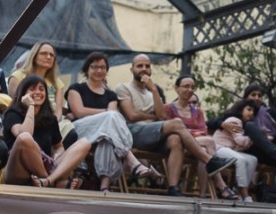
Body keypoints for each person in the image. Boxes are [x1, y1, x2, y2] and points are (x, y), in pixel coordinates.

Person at [114, 54, 235, 198]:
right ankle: (209, 160)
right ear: (132, 69)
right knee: (177, 123)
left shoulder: (153, 93)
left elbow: (161, 117)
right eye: (139, 66)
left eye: (147, 66)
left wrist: (153, 90)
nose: (144, 69)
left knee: (175, 139)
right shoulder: (123, 88)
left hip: (153, 136)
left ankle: (173, 188)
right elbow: (132, 116)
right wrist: (152, 116)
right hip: (133, 133)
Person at [67, 52, 161, 192]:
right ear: (87, 69)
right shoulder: (76, 88)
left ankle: (104, 186)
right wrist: (105, 112)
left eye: (102, 67)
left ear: (107, 71)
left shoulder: (111, 95)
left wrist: (106, 113)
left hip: (102, 134)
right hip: (80, 131)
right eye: (94, 67)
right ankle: (132, 160)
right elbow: (79, 112)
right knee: (111, 118)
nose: (99, 70)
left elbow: (111, 116)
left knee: (108, 138)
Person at [2, 75, 90, 189]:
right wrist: (31, 106)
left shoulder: (50, 119)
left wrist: (57, 154)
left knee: (84, 143)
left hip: (45, 168)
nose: (38, 92)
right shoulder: (12, 114)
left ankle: (49, 180)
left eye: (41, 89)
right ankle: (55, 182)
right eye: (32, 88)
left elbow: (58, 147)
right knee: (25, 138)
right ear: (23, 93)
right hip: (18, 170)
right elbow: (25, 133)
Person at [166, 75, 239, 200]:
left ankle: (202, 195)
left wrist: (186, 131)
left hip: (197, 147)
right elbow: (169, 129)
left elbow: (203, 131)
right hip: (177, 147)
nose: (190, 90)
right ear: (177, 88)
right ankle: (221, 186)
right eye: (186, 86)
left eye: (192, 87)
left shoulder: (198, 111)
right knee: (209, 141)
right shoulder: (168, 108)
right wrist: (188, 132)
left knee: (205, 150)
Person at [7, 42, 71, 137]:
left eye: (52, 55)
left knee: (71, 132)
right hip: (25, 120)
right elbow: (15, 105)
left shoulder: (57, 82)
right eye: (43, 53)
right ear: (34, 56)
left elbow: (58, 112)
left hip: (51, 123)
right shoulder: (17, 76)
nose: (48, 57)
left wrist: (53, 124)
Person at [212, 98, 261, 202]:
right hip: (218, 148)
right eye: (249, 109)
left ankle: (240, 190)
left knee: (253, 159)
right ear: (240, 110)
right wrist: (255, 137)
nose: (251, 113)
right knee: (240, 159)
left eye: (253, 111)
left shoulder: (243, 123)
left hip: (228, 150)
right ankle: (245, 194)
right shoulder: (235, 120)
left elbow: (239, 145)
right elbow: (240, 141)